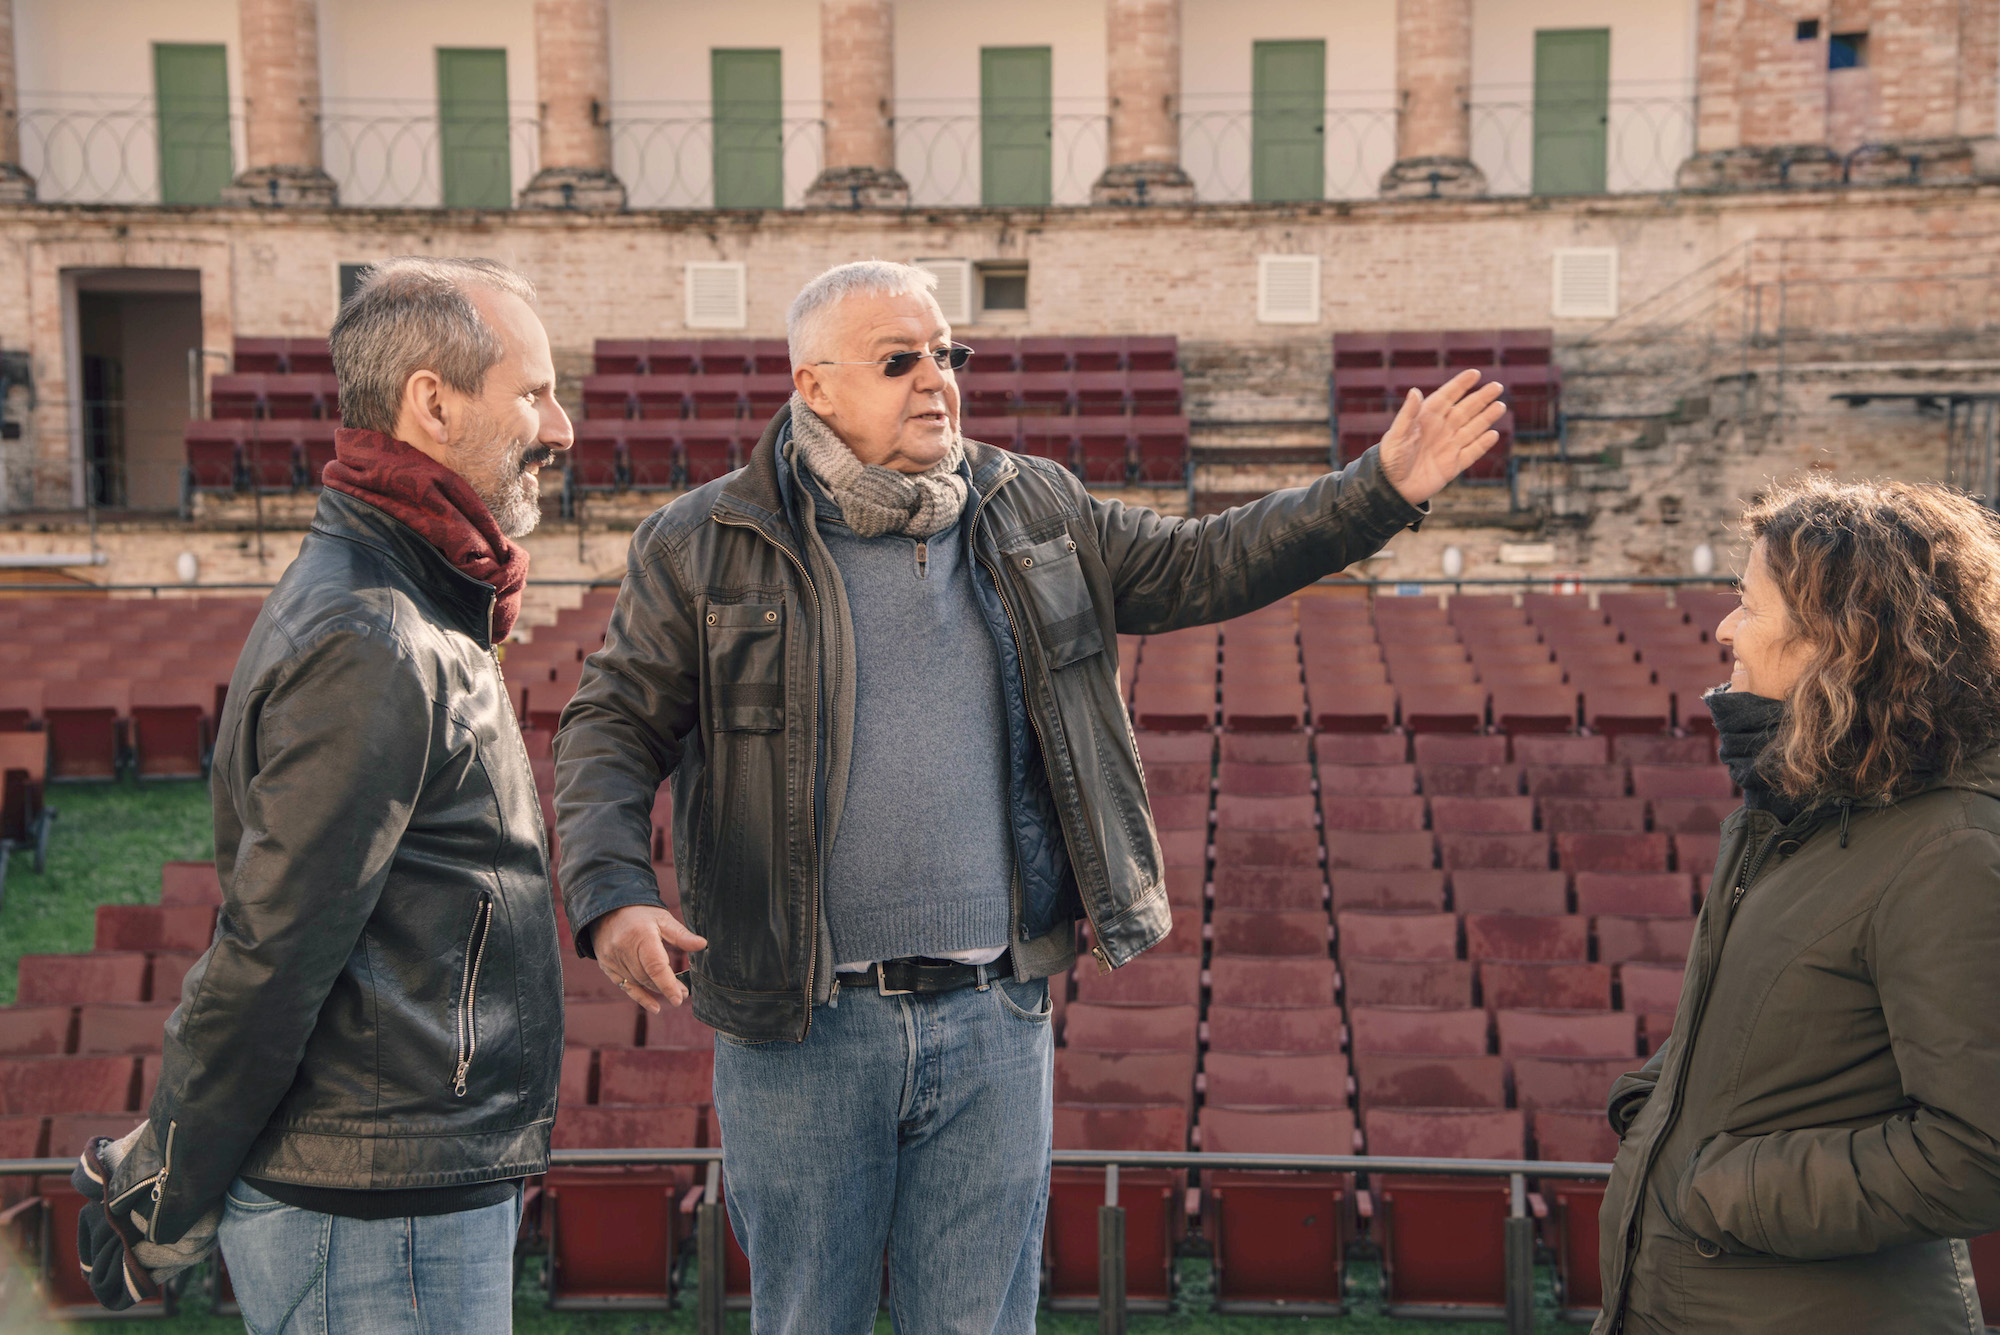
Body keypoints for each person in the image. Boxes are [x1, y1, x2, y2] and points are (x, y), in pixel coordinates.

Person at [553, 259, 1505, 1332]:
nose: (936, 381)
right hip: (801, 1033)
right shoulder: (700, 543)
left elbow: (1204, 564)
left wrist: (1374, 491)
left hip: (990, 1019)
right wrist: (613, 894)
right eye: (898, 360)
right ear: (813, 387)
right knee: (806, 1319)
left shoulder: (1030, 506)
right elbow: (611, 727)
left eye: (945, 354)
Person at [72, 256, 573, 1333]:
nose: (562, 427)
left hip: (398, 1186)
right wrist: (165, 1184)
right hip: (372, 1208)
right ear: (432, 403)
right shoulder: (374, 635)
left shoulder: (409, 601)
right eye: (533, 391)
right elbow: (273, 951)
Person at [1595, 476, 2000, 1334]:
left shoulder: (1951, 849)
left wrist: (1720, 1189)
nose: (1725, 628)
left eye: (1746, 602)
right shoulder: (1786, 811)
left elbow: (1979, 1152)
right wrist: (1653, 1110)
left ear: (1840, 639)